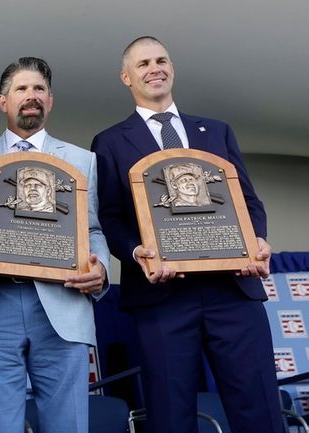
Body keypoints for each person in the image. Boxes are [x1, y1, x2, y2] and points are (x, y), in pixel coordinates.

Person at [91, 36, 284, 433]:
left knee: (259, 406)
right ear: (126, 77)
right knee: (169, 413)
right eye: (143, 63)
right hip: (162, 298)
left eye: (161, 60)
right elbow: (109, 217)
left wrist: (257, 241)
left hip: (233, 290)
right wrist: (134, 252)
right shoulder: (109, 142)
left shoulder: (216, 131)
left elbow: (248, 203)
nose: (154, 68)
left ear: (172, 68)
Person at [0, 56, 109, 433]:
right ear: (3, 101)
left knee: (68, 425)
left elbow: (93, 229)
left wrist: (101, 269)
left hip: (61, 305)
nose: (30, 96)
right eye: (21, 88)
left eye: (39, 89)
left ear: (50, 100)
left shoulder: (82, 160)